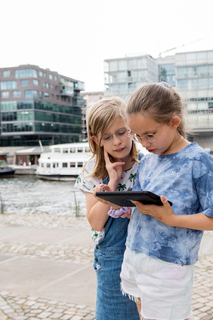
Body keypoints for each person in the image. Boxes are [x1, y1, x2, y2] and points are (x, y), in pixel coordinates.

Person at [121, 83, 213, 320]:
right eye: (137, 136)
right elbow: (143, 207)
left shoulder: (197, 160)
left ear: (174, 122)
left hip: (169, 266)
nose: (144, 143)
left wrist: (171, 218)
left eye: (150, 135)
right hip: (135, 256)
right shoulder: (147, 160)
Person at [75, 97, 141, 320]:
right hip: (114, 260)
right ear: (97, 140)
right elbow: (95, 222)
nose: (117, 142)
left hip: (148, 253)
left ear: (131, 129)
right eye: (108, 136)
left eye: (122, 132)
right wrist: (112, 184)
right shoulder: (92, 171)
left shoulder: (146, 165)